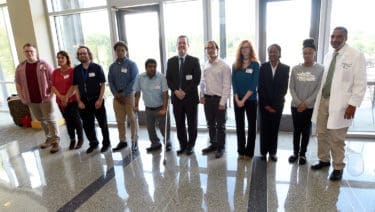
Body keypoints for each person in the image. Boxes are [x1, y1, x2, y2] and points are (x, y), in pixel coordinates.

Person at [311, 27, 367, 181]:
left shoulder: (355, 56)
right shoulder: (329, 55)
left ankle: (338, 167)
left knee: (337, 137)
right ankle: (323, 160)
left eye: (339, 37)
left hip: (342, 104)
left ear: (346, 38)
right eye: (333, 36)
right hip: (324, 100)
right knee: (321, 132)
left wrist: (353, 104)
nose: (335, 39)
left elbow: (360, 83)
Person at [15, 43, 60, 153]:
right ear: (24, 52)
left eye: (31, 51)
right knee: (41, 119)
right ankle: (49, 138)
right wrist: (22, 98)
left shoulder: (44, 64)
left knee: (50, 119)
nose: (29, 53)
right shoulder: (20, 67)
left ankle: (56, 141)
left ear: (35, 52)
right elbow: (18, 84)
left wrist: (51, 95)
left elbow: (53, 80)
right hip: (31, 100)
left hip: (45, 98)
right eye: (27, 51)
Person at [288, 39, 323, 165]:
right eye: (305, 53)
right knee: (297, 130)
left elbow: (319, 89)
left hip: (310, 107)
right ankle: (295, 153)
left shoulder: (320, 69)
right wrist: (298, 102)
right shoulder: (296, 69)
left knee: (306, 130)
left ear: (314, 53)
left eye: (309, 53)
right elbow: (291, 87)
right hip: (296, 106)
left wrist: (306, 103)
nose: (307, 55)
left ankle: (303, 154)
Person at [166, 35, 201, 156]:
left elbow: (196, 80)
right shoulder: (170, 62)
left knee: (192, 123)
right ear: (176, 46)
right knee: (179, 123)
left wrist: (184, 92)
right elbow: (168, 79)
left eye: (184, 43)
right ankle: (183, 145)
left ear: (188, 46)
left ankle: (191, 145)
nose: (181, 45)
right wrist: (176, 91)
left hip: (190, 98)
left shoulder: (194, 60)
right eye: (179, 43)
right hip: (177, 99)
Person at [72, 46, 111, 154]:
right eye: (80, 54)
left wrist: (100, 99)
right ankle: (93, 143)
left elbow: (103, 84)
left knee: (103, 123)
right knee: (87, 125)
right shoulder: (76, 70)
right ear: (78, 56)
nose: (82, 55)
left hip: (96, 101)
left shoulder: (97, 67)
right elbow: (75, 87)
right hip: (84, 102)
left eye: (84, 53)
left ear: (89, 54)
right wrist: (79, 101)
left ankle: (106, 143)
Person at [200, 40, 231, 159]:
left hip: (219, 100)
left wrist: (223, 102)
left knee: (220, 126)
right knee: (210, 124)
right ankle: (213, 144)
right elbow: (202, 82)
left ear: (217, 49)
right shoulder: (205, 64)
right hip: (207, 100)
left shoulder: (224, 65)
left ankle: (221, 147)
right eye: (208, 48)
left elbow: (227, 85)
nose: (210, 50)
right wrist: (201, 95)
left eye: (212, 47)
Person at [258, 44, 290, 162]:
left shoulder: (285, 68)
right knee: (264, 128)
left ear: (279, 53)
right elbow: (260, 88)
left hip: (277, 105)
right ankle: (263, 152)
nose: (272, 54)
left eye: (275, 52)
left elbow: (284, 89)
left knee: (274, 129)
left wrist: (275, 106)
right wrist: (266, 105)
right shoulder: (263, 67)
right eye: (270, 52)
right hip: (264, 105)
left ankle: (272, 152)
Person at [134, 59, 171, 152]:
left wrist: (164, 108)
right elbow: (137, 92)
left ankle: (167, 141)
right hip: (148, 108)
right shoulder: (140, 77)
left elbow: (165, 93)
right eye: (150, 67)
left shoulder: (161, 77)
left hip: (160, 107)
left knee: (164, 127)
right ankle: (155, 143)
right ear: (146, 68)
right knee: (150, 128)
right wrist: (136, 105)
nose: (152, 68)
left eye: (154, 66)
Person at [108, 41, 139, 152]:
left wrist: (124, 94)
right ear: (115, 52)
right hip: (117, 97)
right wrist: (116, 94)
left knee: (132, 118)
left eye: (122, 50)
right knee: (120, 120)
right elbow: (110, 82)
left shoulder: (132, 65)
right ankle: (123, 141)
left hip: (129, 96)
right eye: (118, 50)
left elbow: (134, 80)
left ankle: (134, 140)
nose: (120, 52)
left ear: (126, 51)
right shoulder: (112, 67)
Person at [231, 40, 259, 160]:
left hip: (251, 99)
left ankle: (249, 152)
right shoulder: (235, 64)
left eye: (247, 47)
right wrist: (237, 98)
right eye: (242, 48)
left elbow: (254, 85)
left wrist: (244, 100)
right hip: (237, 99)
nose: (244, 50)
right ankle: (241, 150)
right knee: (239, 125)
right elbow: (234, 83)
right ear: (240, 50)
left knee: (252, 126)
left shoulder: (255, 64)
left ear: (250, 49)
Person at [51, 51, 84, 150]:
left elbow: (75, 86)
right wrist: (61, 97)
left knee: (76, 120)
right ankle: (72, 139)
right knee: (68, 121)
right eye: (58, 58)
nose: (60, 60)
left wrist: (66, 97)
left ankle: (80, 139)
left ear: (67, 58)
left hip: (72, 100)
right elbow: (53, 86)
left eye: (62, 57)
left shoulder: (73, 71)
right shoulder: (55, 72)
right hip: (60, 102)